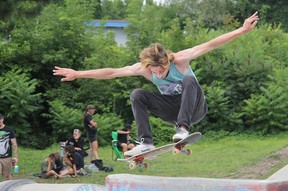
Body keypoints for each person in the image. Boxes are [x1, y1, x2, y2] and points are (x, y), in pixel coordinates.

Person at [53, 12, 259, 157]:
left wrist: (241, 31)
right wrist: (78, 73)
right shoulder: (145, 68)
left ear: (168, 60)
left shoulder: (181, 59)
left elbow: (211, 44)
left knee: (188, 80)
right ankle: (146, 142)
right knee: (137, 94)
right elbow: (113, 72)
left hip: (196, 107)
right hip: (172, 110)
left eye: (162, 69)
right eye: (155, 71)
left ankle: (183, 128)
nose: (159, 73)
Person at [0, 113, 18, 180]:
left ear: (2, 119)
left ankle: (12, 186)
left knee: (7, 176)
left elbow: (14, 144)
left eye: (0, 120)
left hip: (7, 157)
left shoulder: (9, 130)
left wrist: (16, 156)